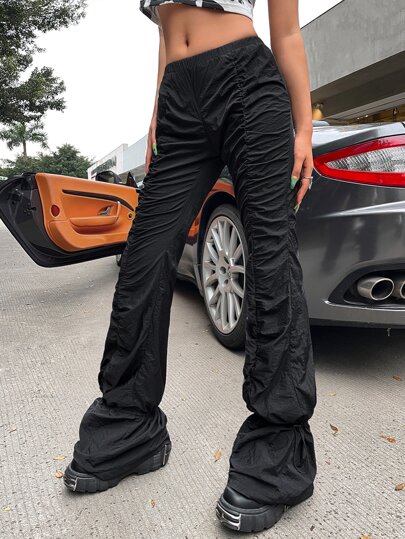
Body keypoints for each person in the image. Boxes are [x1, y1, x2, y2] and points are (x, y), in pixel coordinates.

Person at [63, 0, 317, 533]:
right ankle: (129, 426)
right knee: (143, 258)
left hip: (249, 84)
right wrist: (158, 108)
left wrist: (304, 131)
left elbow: (288, 32)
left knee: (271, 261)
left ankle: (277, 453)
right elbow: (165, 32)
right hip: (179, 97)